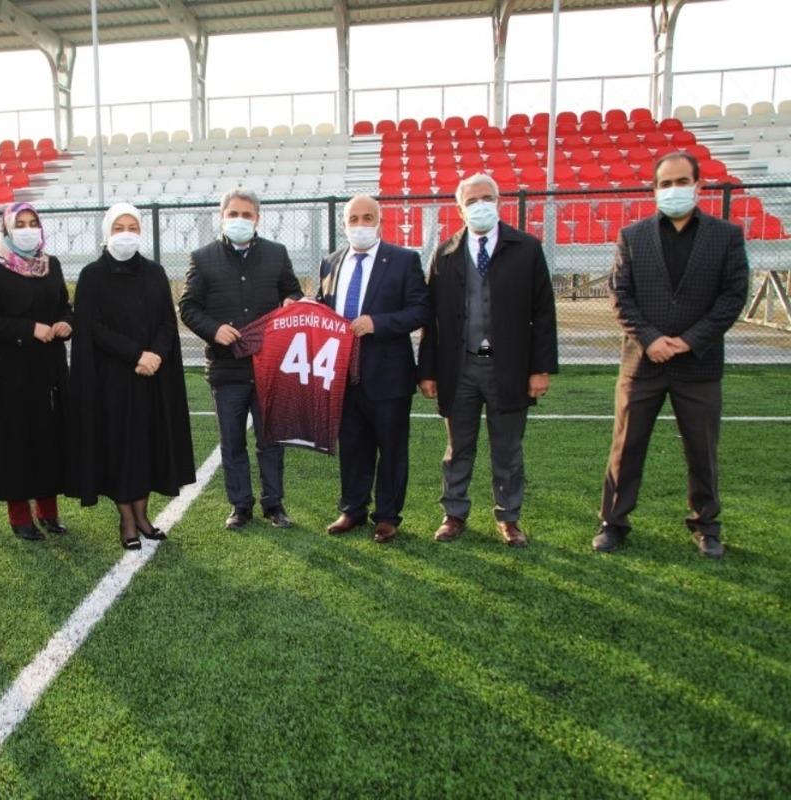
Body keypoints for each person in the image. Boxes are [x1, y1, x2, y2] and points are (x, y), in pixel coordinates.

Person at [595, 152, 749, 558]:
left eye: (682, 182)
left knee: (702, 450)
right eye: (666, 183)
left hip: (698, 364)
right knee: (626, 447)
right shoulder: (634, 235)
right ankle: (613, 522)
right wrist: (651, 339)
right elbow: (620, 295)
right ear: (654, 189)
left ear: (699, 186)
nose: (674, 190)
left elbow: (733, 296)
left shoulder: (726, 236)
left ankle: (706, 524)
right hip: (643, 362)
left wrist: (689, 340)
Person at [418, 173, 558, 547]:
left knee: (508, 449)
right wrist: (428, 371)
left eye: (487, 197)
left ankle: (509, 518)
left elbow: (543, 312)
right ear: (460, 208)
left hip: (508, 368)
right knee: (457, 447)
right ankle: (454, 514)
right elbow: (432, 318)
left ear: (499, 200)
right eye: (472, 200)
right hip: (458, 369)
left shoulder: (526, 248)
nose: (481, 205)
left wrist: (539, 368)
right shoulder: (445, 253)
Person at [68, 203, 196, 549]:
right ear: (107, 232)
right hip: (112, 380)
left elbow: (167, 322)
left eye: (133, 227)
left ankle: (143, 516)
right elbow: (91, 327)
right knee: (120, 450)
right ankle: (127, 520)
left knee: (147, 447)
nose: (126, 233)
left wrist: (154, 354)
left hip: (152, 376)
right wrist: (136, 354)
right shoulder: (92, 275)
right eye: (119, 227)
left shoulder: (154, 272)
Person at [179, 189, 303, 530]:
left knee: (271, 441)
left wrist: (293, 302)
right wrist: (213, 328)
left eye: (246, 215)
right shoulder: (202, 257)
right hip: (226, 368)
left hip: (269, 367)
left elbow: (293, 292)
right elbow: (188, 306)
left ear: (257, 218)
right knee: (232, 442)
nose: (240, 220)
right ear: (222, 216)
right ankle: (240, 506)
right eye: (233, 214)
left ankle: (274, 505)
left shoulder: (277, 254)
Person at [317, 195, 430, 544]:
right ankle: (352, 509)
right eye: (354, 218)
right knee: (351, 446)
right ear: (344, 222)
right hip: (343, 375)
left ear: (380, 221)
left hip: (388, 375)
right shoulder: (331, 261)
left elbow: (420, 310)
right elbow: (324, 308)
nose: (361, 224)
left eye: (368, 218)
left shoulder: (404, 260)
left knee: (392, 449)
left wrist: (377, 323)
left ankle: (387, 516)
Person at [0, 202, 72, 540]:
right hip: (10, 371)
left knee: (50, 437)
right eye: (21, 223)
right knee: (15, 441)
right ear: (7, 229)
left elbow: (64, 306)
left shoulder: (51, 264)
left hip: (50, 367)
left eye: (34, 222)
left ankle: (48, 512)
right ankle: (19, 517)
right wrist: (29, 329)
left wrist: (65, 324)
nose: (29, 228)